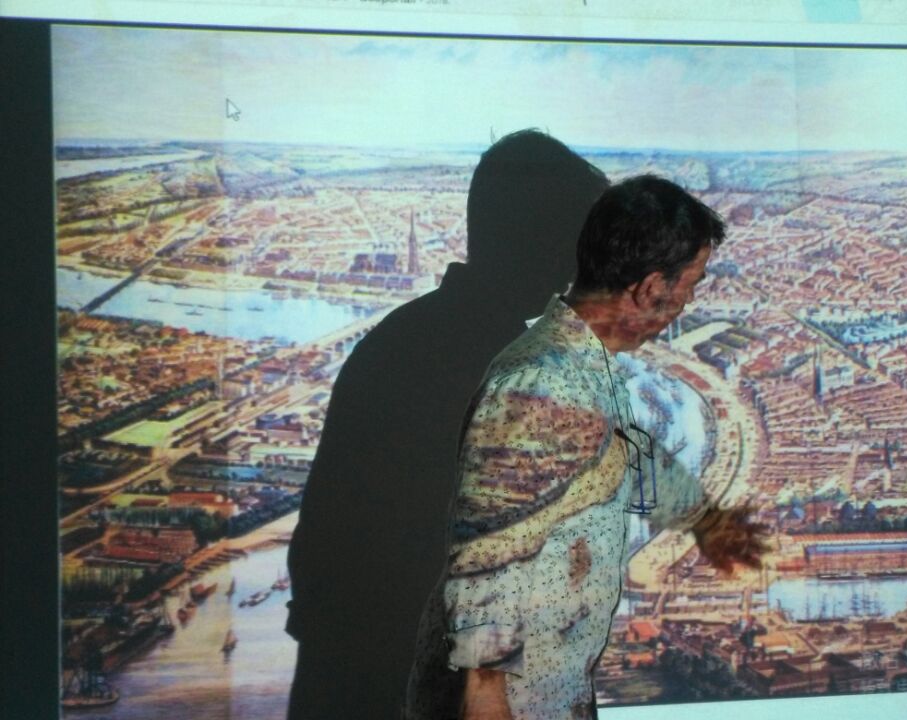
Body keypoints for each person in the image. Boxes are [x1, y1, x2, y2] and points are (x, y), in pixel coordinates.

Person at [405, 175, 767, 720]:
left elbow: (624, 455)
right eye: (691, 284)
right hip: (506, 700)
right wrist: (485, 693)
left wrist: (704, 518)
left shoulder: (581, 365)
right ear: (650, 289)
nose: (690, 301)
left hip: (545, 686)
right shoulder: (539, 384)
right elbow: (488, 556)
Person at [285, 130, 609, 720]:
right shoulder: (511, 373)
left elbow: (323, 546)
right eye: (577, 241)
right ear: (542, 241)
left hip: (352, 675)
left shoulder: (396, 339)